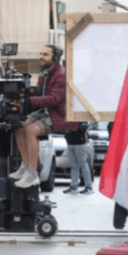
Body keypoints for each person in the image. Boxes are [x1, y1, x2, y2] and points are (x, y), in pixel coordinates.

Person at [9, 44, 78, 188]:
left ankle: (32, 174)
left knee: (31, 131)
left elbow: (54, 99)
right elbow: (41, 95)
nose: (41, 57)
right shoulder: (44, 73)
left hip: (59, 114)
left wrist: (29, 100)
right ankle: (25, 165)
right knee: (19, 127)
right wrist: (23, 93)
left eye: (45, 54)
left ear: (55, 57)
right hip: (45, 110)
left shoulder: (62, 75)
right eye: (40, 53)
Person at [63, 125, 94, 195]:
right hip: (70, 142)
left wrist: (77, 127)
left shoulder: (81, 118)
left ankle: (89, 187)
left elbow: (85, 126)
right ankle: (74, 187)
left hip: (80, 142)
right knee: (74, 166)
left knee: (83, 164)